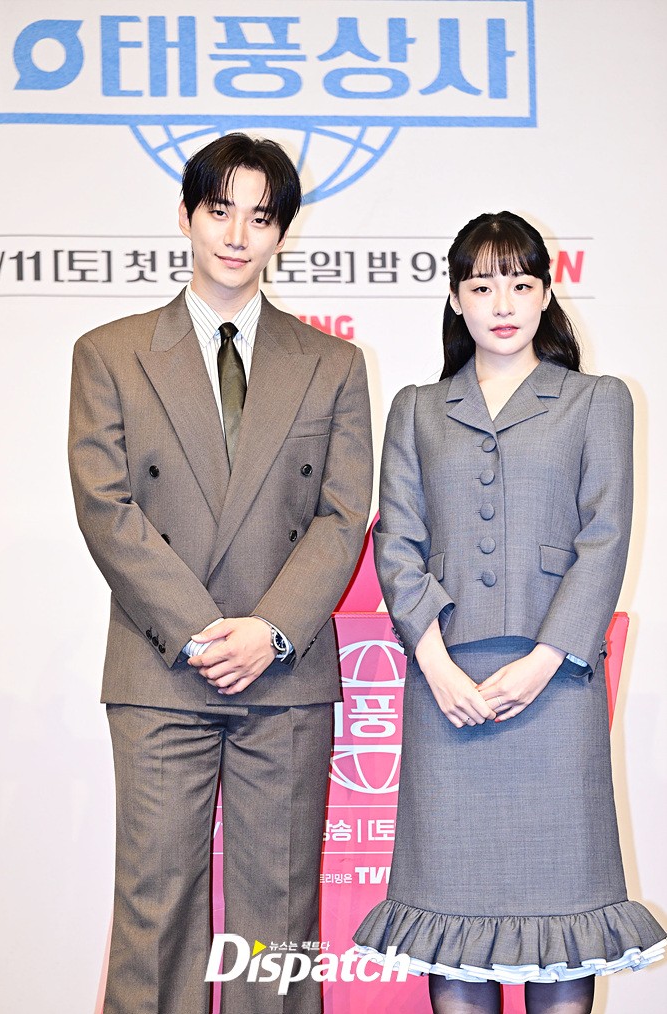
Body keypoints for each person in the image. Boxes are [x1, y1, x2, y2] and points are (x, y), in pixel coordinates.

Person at [69, 133, 372, 1014]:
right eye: (219, 210)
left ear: (282, 232)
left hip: (284, 672)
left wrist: (268, 632)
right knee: (155, 914)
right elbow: (106, 507)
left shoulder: (332, 364)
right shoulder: (111, 353)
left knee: (278, 923)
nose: (237, 235)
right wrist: (202, 633)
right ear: (185, 216)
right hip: (162, 667)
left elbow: (342, 516)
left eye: (260, 217)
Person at [354, 212, 665, 1013]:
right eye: (482, 285)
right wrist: (434, 664)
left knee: (564, 917)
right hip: (447, 687)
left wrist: (546, 659)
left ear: (547, 293)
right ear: (455, 298)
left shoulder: (598, 400)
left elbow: (606, 538)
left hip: (556, 689)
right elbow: (397, 544)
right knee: (452, 924)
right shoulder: (417, 409)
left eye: (521, 285)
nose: (502, 303)